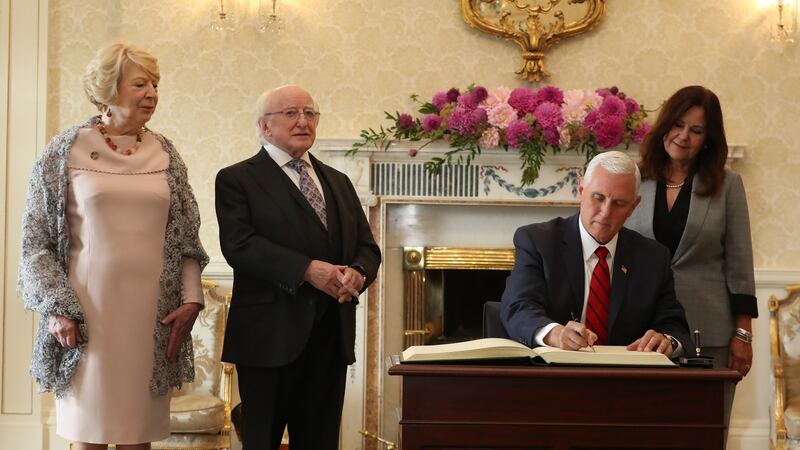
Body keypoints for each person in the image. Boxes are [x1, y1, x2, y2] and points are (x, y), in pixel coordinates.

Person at [17, 42, 208, 450]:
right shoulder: (63, 151)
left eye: (156, 84)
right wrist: (57, 308)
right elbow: (36, 244)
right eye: (140, 84)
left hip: (152, 320)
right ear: (108, 88)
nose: (153, 93)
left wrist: (191, 301)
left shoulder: (166, 152)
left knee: (138, 436)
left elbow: (188, 239)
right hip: (87, 317)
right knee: (90, 435)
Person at [215, 85, 381, 450]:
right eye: (291, 113)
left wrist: (358, 272)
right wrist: (309, 270)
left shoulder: (338, 182)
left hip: (330, 337)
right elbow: (240, 246)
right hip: (267, 339)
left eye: (310, 113)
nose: (303, 121)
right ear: (264, 126)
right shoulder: (237, 179)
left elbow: (368, 248)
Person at [501, 151, 691, 355]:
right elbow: (518, 306)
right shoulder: (538, 241)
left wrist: (666, 341)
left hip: (625, 378)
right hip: (553, 375)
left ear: (633, 206)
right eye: (598, 198)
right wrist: (555, 334)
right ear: (581, 189)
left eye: (618, 204)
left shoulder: (653, 257)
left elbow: (675, 326)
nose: (605, 212)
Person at [626, 85, 757, 376]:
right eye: (678, 124)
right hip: (641, 333)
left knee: (708, 420)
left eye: (696, 131)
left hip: (708, 332)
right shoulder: (634, 180)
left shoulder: (728, 185)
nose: (683, 136)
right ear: (664, 126)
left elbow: (740, 264)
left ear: (707, 139)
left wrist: (743, 334)